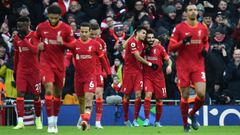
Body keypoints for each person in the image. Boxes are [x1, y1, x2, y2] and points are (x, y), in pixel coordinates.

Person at [168, 4, 209, 132]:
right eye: (190, 10)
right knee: (185, 96)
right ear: (186, 13)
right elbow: (170, 47)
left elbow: (206, 41)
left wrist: (205, 50)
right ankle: (185, 123)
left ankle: (192, 113)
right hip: (183, 66)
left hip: (198, 65)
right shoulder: (179, 28)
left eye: (195, 10)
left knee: (201, 94)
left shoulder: (203, 27)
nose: (193, 12)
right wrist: (182, 42)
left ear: (198, 12)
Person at [35, 5, 76, 133]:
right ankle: (50, 123)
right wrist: (38, 45)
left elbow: (74, 45)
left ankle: (56, 121)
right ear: (48, 16)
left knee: (58, 94)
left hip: (59, 65)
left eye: (55, 18)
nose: (52, 20)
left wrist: (63, 43)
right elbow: (35, 38)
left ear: (59, 16)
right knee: (48, 89)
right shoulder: (41, 26)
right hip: (46, 63)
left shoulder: (66, 28)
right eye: (50, 17)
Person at [72, 22, 111, 131]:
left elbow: (104, 58)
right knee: (83, 98)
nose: (94, 36)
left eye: (95, 34)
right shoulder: (79, 43)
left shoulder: (101, 43)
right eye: (92, 34)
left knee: (98, 94)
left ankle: (98, 122)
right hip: (85, 71)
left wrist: (107, 72)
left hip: (98, 71)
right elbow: (74, 58)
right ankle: (84, 118)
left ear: (99, 32)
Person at [122, 26, 158, 127]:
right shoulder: (132, 42)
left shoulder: (142, 43)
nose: (144, 35)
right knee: (126, 96)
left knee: (138, 95)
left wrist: (157, 40)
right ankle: (125, 119)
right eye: (143, 33)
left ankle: (135, 119)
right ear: (137, 33)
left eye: (145, 34)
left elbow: (154, 41)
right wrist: (150, 64)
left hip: (138, 72)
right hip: (128, 72)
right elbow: (137, 57)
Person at [13, 16, 42, 129]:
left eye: (22, 26)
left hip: (34, 71)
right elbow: (16, 56)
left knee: (36, 96)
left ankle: (38, 119)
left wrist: (24, 39)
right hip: (22, 71)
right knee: (20, 94)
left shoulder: (34, 35)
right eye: (18, 26)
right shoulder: (16, 38)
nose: (20, 28)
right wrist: (15, 71)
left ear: (28, 24)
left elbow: (35, 51)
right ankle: (20, 122)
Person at [143, 29, 172, 127]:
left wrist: (169, 66)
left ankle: (157, 121)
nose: (151, 39)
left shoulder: (160, 48)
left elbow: (169, 60)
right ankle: (146, 119)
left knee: (159, 100)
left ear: (154, 38)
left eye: (152, 37)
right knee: (148, 96)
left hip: (159, 78)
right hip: (147, 76)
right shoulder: (143, 47)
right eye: (149, 38)